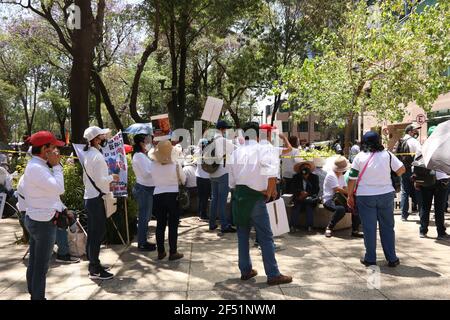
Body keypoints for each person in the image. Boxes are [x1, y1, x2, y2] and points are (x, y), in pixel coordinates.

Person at [229, 121, 292, 286]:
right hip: (256, 197)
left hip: (239, 197)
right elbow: (271, 175)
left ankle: (245, 270)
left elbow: (232, 182)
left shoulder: (235, 153)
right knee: (265, 237)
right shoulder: (262, 149)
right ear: (258, 135)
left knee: (242, 236)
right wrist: (269, 193)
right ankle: (273, 274)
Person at [347, 131, 405, 267]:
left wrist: (349, 195)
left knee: (369, 228)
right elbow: (401, 169)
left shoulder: (359, 157)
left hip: (365, 196)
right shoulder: (388, 155)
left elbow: (352, 179)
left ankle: (370, 258)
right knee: (388, 227)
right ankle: (392, 258)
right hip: (386, 194)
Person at [22, 131, 66, 299]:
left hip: (37, 218)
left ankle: (34, 293)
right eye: (53, 147)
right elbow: (59, 189)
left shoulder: (37, 165)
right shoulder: (37, 168)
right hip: (43, 222)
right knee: (41, 266)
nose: (56, 151)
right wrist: (56, 166)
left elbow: (50, 194)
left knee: (35, 262)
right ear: (44, 149)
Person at [82, 126, 119, 280]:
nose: (105, 138)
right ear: (96, 139)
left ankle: (94, 264)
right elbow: (101, 181)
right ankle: (95, 269)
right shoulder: (96, 156)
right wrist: (113, 177)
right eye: (103, 136)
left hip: (91, 198)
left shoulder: (89, 154)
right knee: (97, 234)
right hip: (96, 199)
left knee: (93, 234)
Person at [149, 140, 186, 260]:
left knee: (160, 224)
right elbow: (183, 179)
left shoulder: (153, 165)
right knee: (173, 225)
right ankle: (173, 252)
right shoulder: (175, 165)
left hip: (158, 195)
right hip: (172, 195)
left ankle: (160, 252)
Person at [414, 126, 449, 240]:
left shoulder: (422, 147)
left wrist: (416, 181)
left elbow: (416, 165)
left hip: (426, 180)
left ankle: (423, 231)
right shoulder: (445, 146)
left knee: (425, 206)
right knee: (440, 207)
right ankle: (441, 232)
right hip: (442, 181)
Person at [323, 156, 363, 238]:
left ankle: (355, 229)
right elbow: (337, 189)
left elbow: (345, 187)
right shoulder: (331, 175)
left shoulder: (341, 175)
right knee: (340, 209)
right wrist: (350, 193)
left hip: (340, 199)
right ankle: (329, 227)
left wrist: (351, 195)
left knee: (356, 205)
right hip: (329, 200)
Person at [208, 120, 236, 233]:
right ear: (223, 129)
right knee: (222, 200)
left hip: (211, 172)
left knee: (214, 199)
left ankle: (212, 223)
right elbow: (236, 149)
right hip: (223, 172)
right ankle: (224, 225)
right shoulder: (223, 140)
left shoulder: (210, 140)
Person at [131, 134, 157, 251]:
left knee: (145, 217)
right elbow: (147, 173)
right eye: (146, 141)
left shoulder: (142, 155)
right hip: (144, 189)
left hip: (147, 188)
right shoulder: (139, 156)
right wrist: (156, 168)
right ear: (141, 143)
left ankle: (143, 241)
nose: (148, 143)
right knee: (144, 217)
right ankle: (142, 243)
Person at [393, 123, 422, 221]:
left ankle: (404, 215)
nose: (416, 132)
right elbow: (420, 154)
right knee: (418, 190)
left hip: (403, 170)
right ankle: (421, 213)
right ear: (410, 131)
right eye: (415, 130)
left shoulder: (400, 141)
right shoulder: (414, 141)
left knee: (404, 191)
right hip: (414, 170)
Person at [289, 161, 320, 232]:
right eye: (303, 167)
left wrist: (307, 194)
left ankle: (309, 226)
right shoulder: (296, 177)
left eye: (307, 166)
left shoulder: (314, 177)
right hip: (299, 197)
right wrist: (300, 192)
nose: (305, 168)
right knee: (296, 207)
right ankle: (293, 226)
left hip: (310, 198)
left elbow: (316, 189)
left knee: (309, 207)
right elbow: (292, 188)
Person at [195, 139, 211, 220]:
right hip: (206, 178)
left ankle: (200, 212)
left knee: (201, 196)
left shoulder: (198, 153)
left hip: (198, 176)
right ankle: (203, 214)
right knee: (205, 196)